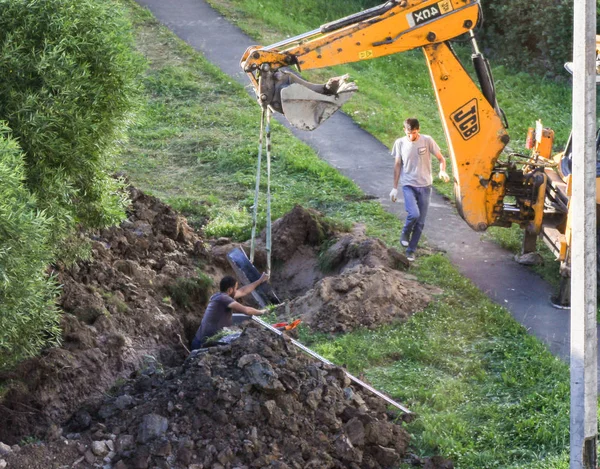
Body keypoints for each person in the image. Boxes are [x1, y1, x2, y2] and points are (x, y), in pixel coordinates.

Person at [389, 118, 449, 261]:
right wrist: (394, 188)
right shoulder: (400, 143)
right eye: (409, 133)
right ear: (405, 130)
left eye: (414, 133)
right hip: (408, 185)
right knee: (414, 214)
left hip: (425, 186)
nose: (412, 136)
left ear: (418, 130)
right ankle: (405, 233)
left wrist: (442, 171)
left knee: (421, 222)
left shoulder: (427, 140)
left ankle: (411, 250)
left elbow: (441, 159)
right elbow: (397, 165)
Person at [190, 273, 269, 350]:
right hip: (202, 345)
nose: (236, 290)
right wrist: (262, 312)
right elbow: (246, 310)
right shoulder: (224, 299)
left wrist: (260, 280)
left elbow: (243, 291)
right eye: (235, 288)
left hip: (201, 341)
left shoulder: (218, 296)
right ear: (230, 290)